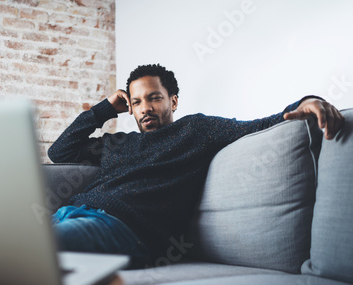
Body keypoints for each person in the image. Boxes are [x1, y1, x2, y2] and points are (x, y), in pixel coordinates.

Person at [48, 64, 344, 268]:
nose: (146, 108)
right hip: (68, 213)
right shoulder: (118, 143)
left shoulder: (195, 130)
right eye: (137, 102)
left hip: (121, 229)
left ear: (173, 101)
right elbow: (60, 151)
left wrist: (307, 101)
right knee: (10, 245)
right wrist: (104, 109)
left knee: (29, 251)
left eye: (154, 98)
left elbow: (259, 125)